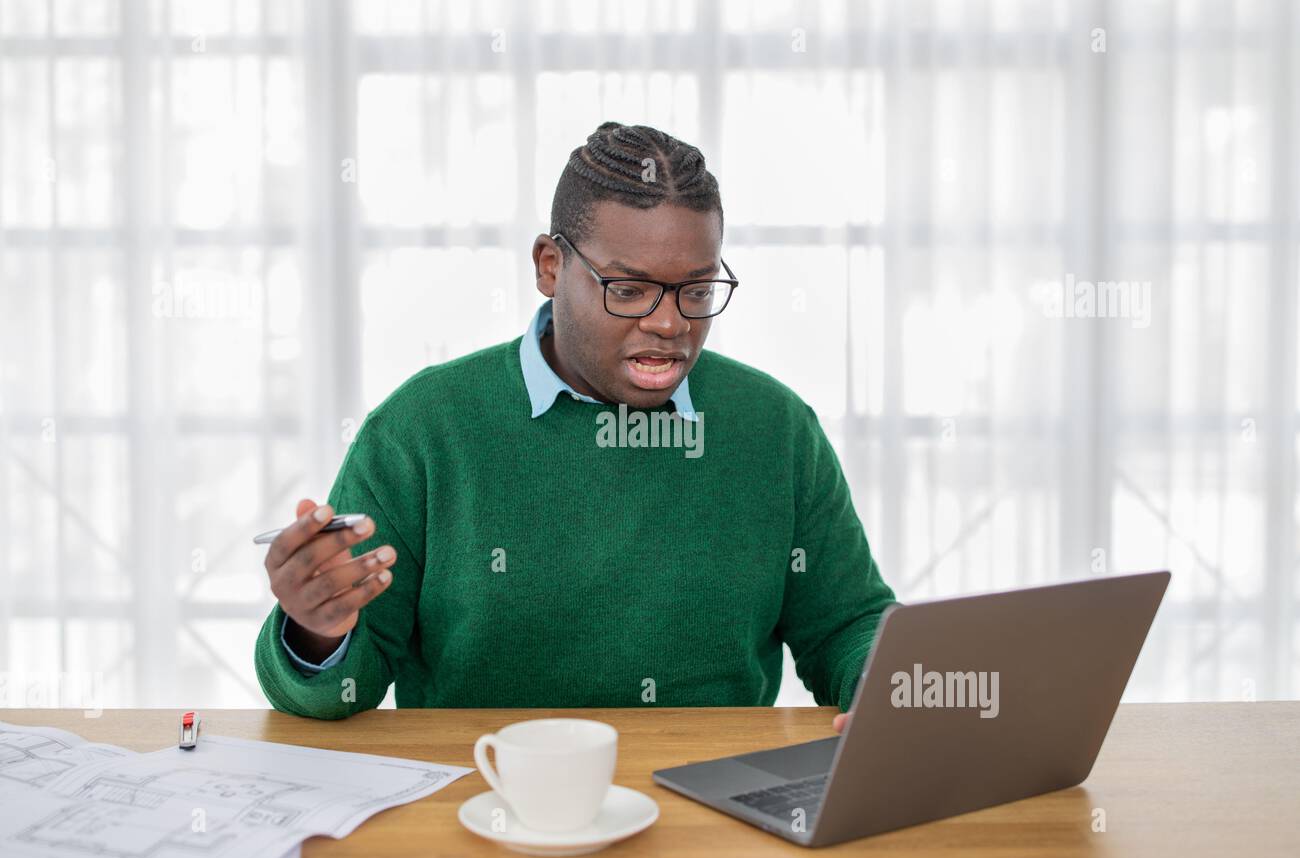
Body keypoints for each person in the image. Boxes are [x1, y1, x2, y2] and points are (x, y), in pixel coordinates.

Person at [254, 121, 895, 734]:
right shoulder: (423, 429)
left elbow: (846, 623)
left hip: (710, 804)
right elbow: (344, 690)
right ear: (549, 267)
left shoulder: (773, 427)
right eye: (629, 288)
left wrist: (883, 684)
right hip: (483, 805)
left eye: (696, 291)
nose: (670, 325)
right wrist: (318, 629)